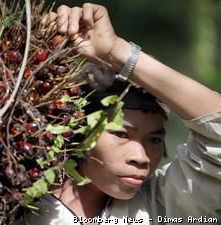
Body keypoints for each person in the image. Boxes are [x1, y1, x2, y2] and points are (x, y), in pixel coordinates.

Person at [22, 3, 221, 225]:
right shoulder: (12, 203)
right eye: (122, 134)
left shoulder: (159, 208)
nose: (141, 157)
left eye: (154, 139)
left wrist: (116, 51)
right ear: (76, 131)